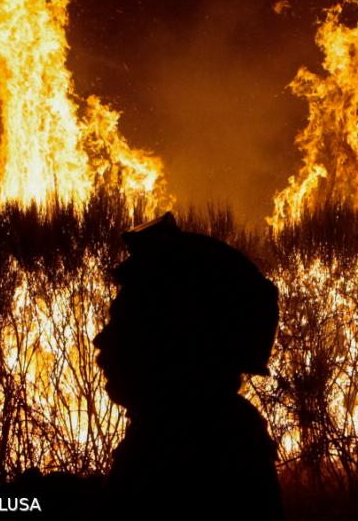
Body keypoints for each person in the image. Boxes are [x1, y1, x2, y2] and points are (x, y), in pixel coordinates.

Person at [93, 212, 284, 520]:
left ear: (179, 343)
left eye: (125, 325)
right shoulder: (206, 432)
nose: (100, 340)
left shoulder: (179, 445)